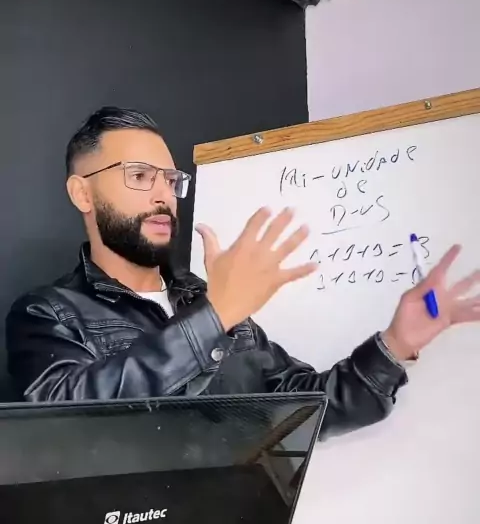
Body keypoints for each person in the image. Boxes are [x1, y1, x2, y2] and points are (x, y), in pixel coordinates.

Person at [6, 107, 480, 416]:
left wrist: (396, 344)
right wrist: (216, 317)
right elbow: (70, 415)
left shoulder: (206, 297)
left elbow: (306, 407)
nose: (163, 195)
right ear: (82, 193)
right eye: (140, 176)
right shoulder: (48, 313)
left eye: (170, 179)